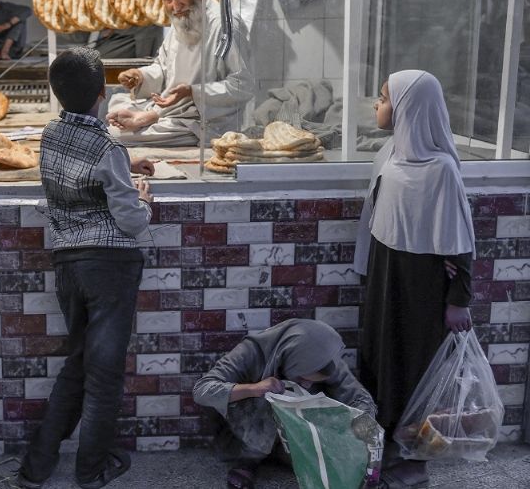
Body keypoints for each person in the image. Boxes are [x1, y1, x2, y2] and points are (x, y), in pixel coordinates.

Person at [15, 47, 154, 489]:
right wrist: (144, 200)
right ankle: (90, 472)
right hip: (109, 266)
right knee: (104, 376)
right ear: (102, 93)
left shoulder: (51, 133)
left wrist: (123, 168)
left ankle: (35, 468)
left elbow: (79, 171)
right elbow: (130, 221)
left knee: (78, 363)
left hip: (69, 263)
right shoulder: (108, 145)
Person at [355, 70, 474, 488]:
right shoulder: (389, 154)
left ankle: (414, 461)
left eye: (385, 98)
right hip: (386, 275)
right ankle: (384, 444)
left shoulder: (441, 170)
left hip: (421, 285)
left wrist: (458, 299)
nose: (377, 105)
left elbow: (459, 242)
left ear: (409, 108)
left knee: (414, 365)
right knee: (380, 355)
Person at [192, 319, 377, 489]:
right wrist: (254, 388)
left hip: (299, 433)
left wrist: (361, 429)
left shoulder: (324, 358)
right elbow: (202, 389)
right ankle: (249, 460)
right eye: (302, 378)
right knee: (272, 394)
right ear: (291, 360)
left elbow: (360, 398)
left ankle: (291, 456)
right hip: (249, 433)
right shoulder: (251, 351)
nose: (307, 384)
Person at [106, 0, 254, 147]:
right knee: (117, 105)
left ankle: (149, 117)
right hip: (171, 110)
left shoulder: (225, 25)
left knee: (116, 135)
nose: (175, 6)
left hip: (202, 120)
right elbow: (164, 67)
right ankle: (149, 116)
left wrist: (193, 92)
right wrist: (141, 76)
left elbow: (243, 85)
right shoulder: (182, 19)